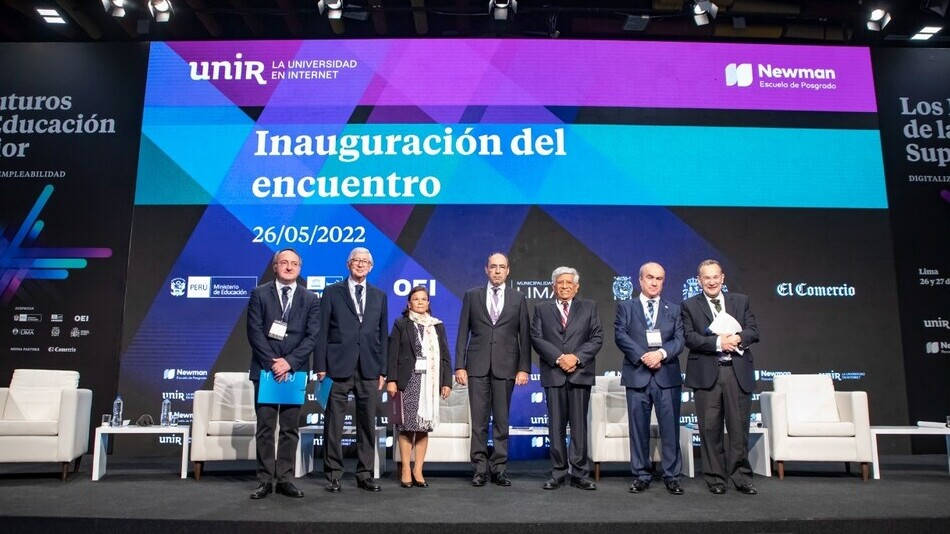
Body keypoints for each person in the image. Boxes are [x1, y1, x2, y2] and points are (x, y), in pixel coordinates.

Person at [246, 248, 320, 499]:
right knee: (266, 427)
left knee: (290, 428)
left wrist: (289, 362)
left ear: (300, 268)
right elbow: (254, 331)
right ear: (275, 266)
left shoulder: (310, 298)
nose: (289, 267)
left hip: (294, 371)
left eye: (294, 264)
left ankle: (286, 478)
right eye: (284, 263)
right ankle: (265, 480)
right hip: (266, 371)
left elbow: (312, 337)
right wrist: (272, 362)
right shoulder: (259, 294)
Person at [681, 259, 760, 495]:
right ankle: (715, 478)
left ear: (722, 278)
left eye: (716, 277)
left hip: (737, 372)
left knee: (738, 428)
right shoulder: (689, 305)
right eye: (707, 277)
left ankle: (741, 476)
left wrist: (737, 338)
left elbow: (753, 331)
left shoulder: (740, 301)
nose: (712, 281)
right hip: (707, 374)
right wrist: (718, 342)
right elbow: (689, 338)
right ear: (699, 280)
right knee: (710, 428)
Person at [314, 247, 388, 493]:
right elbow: (321, 332)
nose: (360, 264)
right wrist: (320, 366)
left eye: (365, 261)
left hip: (369, 367)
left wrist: (383, 370)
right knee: (333, 423)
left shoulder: (379, 296)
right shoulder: (332, 292)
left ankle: (365, 473)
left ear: (371, 267)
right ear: (348, 264)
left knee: (367, 423)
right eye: (356, 260)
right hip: (337, 367)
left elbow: (382, 336)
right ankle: (333, 473)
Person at [455, 252, 530, 487]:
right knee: (478, 421)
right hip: (476, 366)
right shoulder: (472, 295)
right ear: (486, 269)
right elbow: (461, 333)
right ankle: (479, 468)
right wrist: (459, 365)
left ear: (508, 271)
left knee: (501, 420)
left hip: (506, 366)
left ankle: (499, 468)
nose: (497, 271)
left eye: (502, 267)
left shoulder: (518, 298)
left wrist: (524, 368)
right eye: (493, 267)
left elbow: (524, 336)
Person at [614, 262, 685, 495]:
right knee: (638, 429)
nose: (655, 282)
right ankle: (641, 475)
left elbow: (679, 339)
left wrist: (661, 354)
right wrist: (643, 356)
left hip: (667, 376)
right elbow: (621, 335)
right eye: (650, 278)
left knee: (670, 429)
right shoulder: (626, 307)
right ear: (640, 280)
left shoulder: (674, 309)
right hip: (638, 375)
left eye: (660, 279)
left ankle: (672, 475)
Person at [530, 266, 602, 490]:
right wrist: (560, 358)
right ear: (553, 287)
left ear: (576, 286)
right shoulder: (542, 309)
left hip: (580, 374)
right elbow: (536, 337)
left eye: (568, 283)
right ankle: (559, 472)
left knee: (579, 426)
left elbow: (597, 337)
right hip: (554, 373)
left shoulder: (589, 307)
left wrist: (576, 358)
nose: (564, 287)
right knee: (556, 426)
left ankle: (580, 473)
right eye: (560, 283)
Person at [385, 286, 452, 488]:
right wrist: (392, 380)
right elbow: (393, 354)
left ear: (428, 303)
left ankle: (418, 470)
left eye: (424, 299)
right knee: (407, 427)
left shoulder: (437, 326)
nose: (420, 302)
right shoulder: (401, 324)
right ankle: (406, 468)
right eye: (416, 299)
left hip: (430, 383)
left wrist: (446, 382)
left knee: (423, 428)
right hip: (408, 381)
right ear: (409, 303)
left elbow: (446, 357)